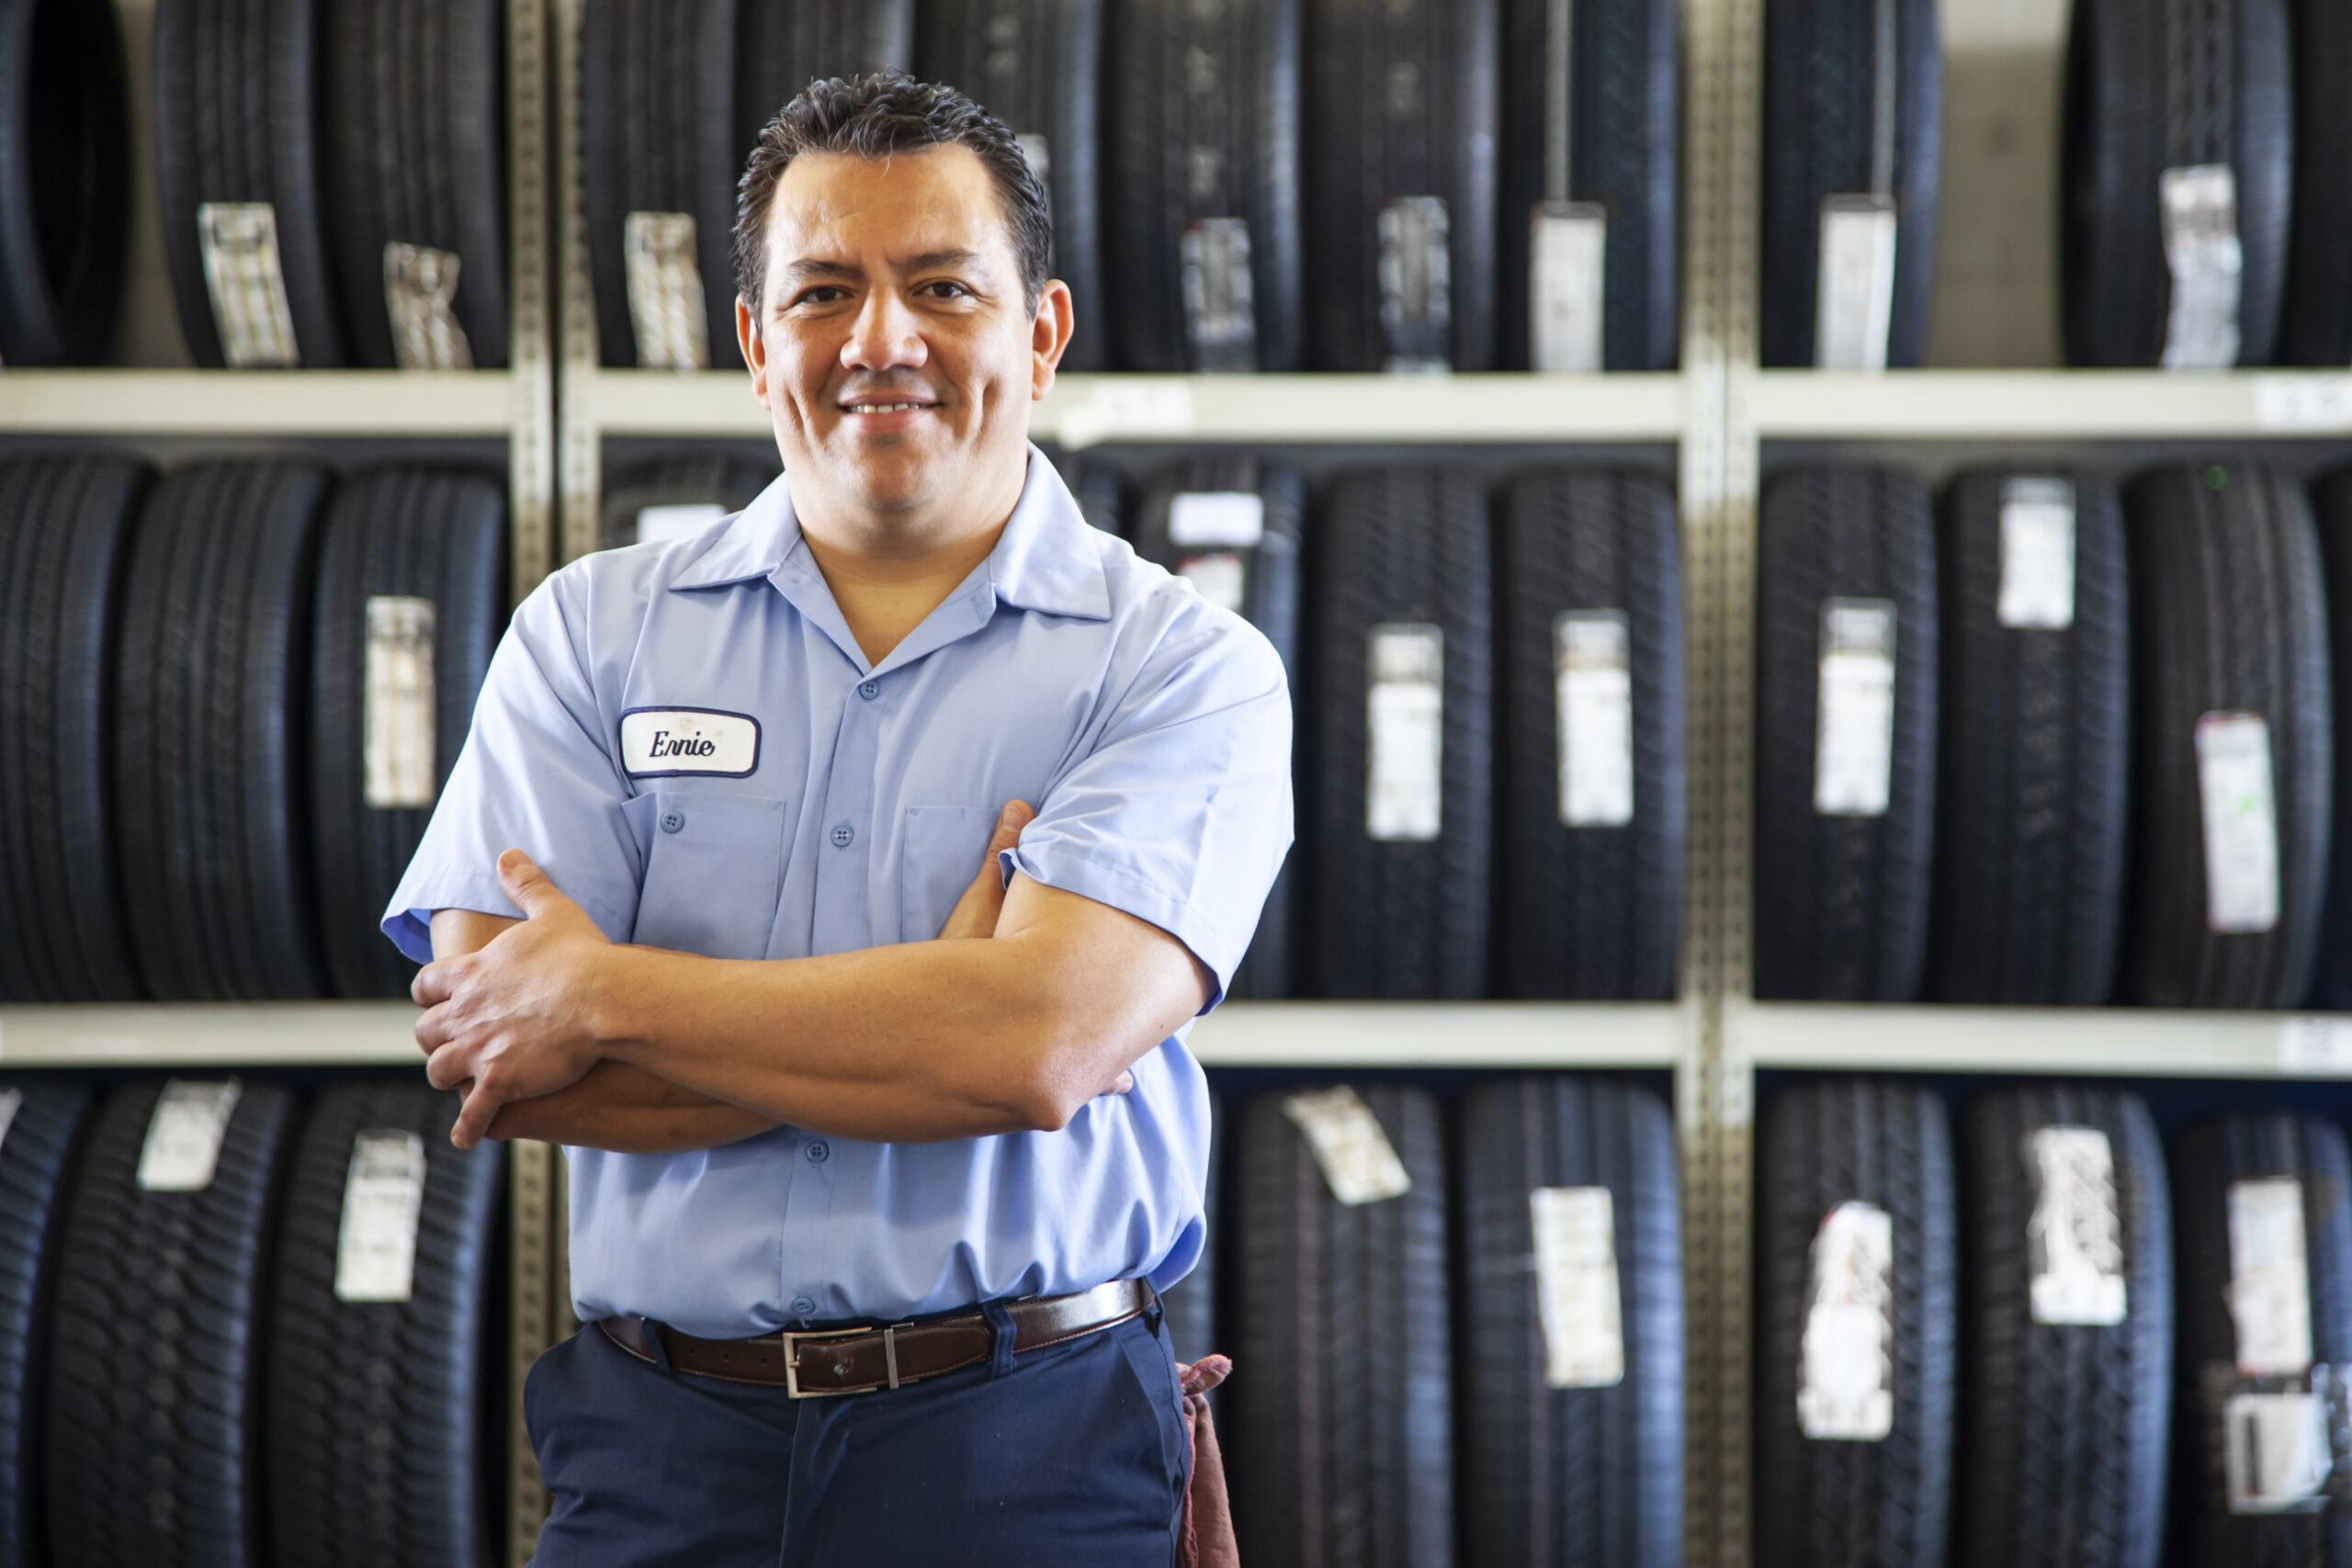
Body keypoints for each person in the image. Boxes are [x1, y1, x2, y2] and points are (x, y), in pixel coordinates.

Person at [381, 72, 1289, 1568]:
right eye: (823, 292)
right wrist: (927, 1024)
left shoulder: (1181, 667)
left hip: (1028, 1451)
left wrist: (609, 991)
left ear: (1041, 332)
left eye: (942, 285)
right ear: (752, 343)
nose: (883, 341)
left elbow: (1041, 1044)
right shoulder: (590, 640)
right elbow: (503, 1070)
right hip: (662, 1454)